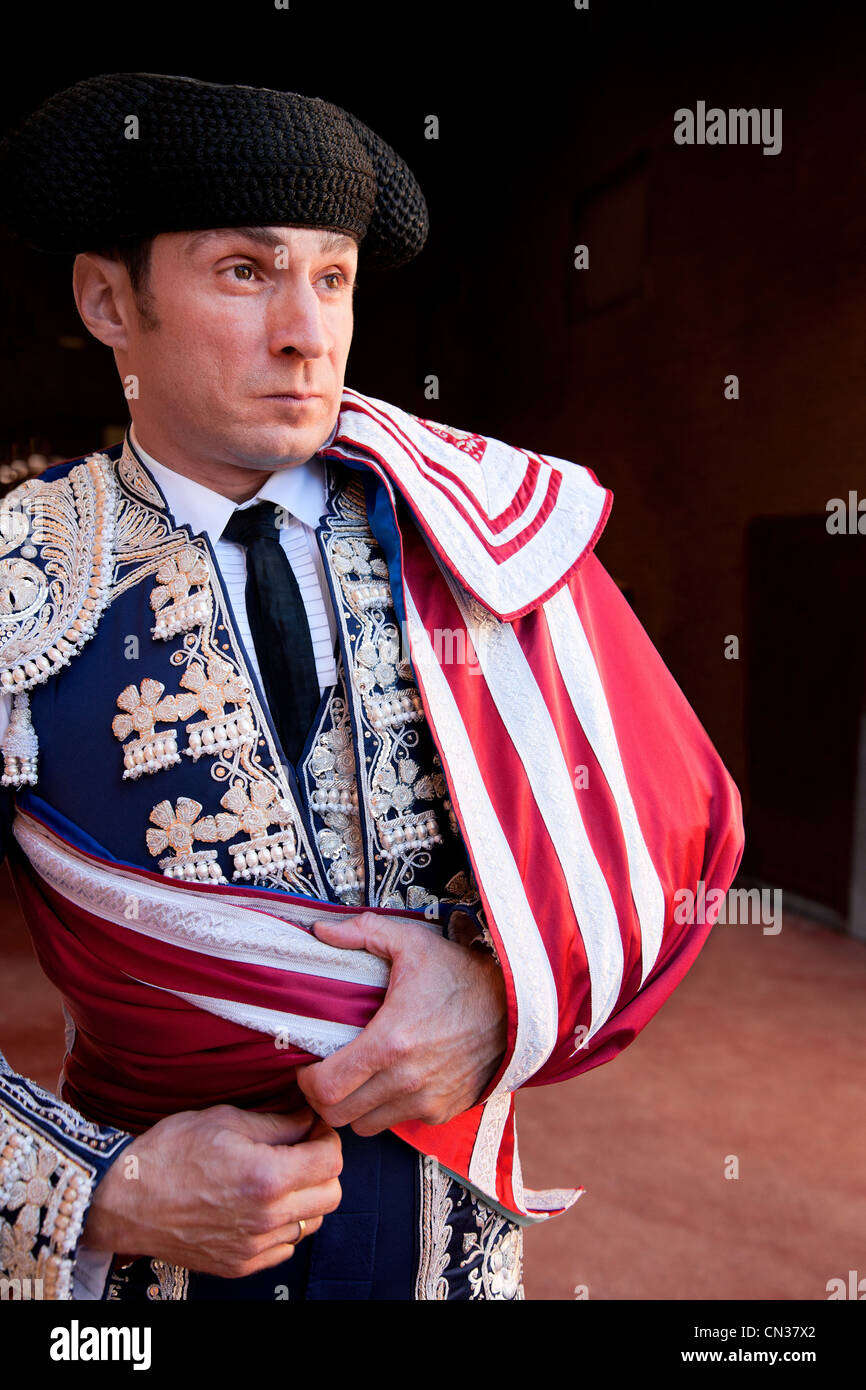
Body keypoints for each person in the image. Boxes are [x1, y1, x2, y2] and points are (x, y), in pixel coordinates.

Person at [0, 72, 744, 1302]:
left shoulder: (474, 527)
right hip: (142, 1285)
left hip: (450, 1261)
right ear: (106, 301)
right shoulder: (24, 572)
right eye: (245, 271)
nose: (308, 331)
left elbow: (664, 843)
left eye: (332, 277)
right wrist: (102, 1190)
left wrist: (505, 1004)